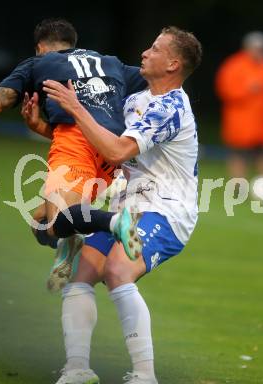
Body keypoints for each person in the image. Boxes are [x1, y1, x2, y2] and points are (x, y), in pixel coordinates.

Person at [39, 26, 202, 384]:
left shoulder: (170, 108)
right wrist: (44, 126)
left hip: (167, 211)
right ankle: (78, 369)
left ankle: (145, 376)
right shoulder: (134, 98)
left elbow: (116, 151)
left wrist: (76, 107)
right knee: (80, 278)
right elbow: (99, 141)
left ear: (173, 64)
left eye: (155, 49)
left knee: (117, 271)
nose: (145, 53)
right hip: (125, 208)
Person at [0, 18, 147, 290]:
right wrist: (39, 126)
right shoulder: (111, 63)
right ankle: (68, 244)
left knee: (59, 219)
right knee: (40, 221)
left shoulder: (39, 64)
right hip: (110, 151)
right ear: (73, 44)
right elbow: (154, 81)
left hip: (75, 143)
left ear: (40, 47)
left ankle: (116, 221)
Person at [215, 31, 263, 187]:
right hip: (240, 125)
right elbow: (224, 91)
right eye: (256, 48)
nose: (260, 52)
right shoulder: (233, 65)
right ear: (247, 48)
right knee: (239, 157)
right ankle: (237, 189)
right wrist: (247, 90)